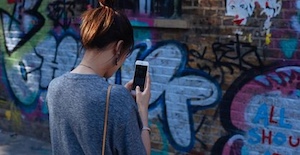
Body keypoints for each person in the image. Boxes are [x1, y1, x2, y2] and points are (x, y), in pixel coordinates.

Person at [46, 0, 151, 154]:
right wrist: (142, 109)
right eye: (125, 56)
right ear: (119, 48)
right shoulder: (117, 98)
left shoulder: (54, 87)